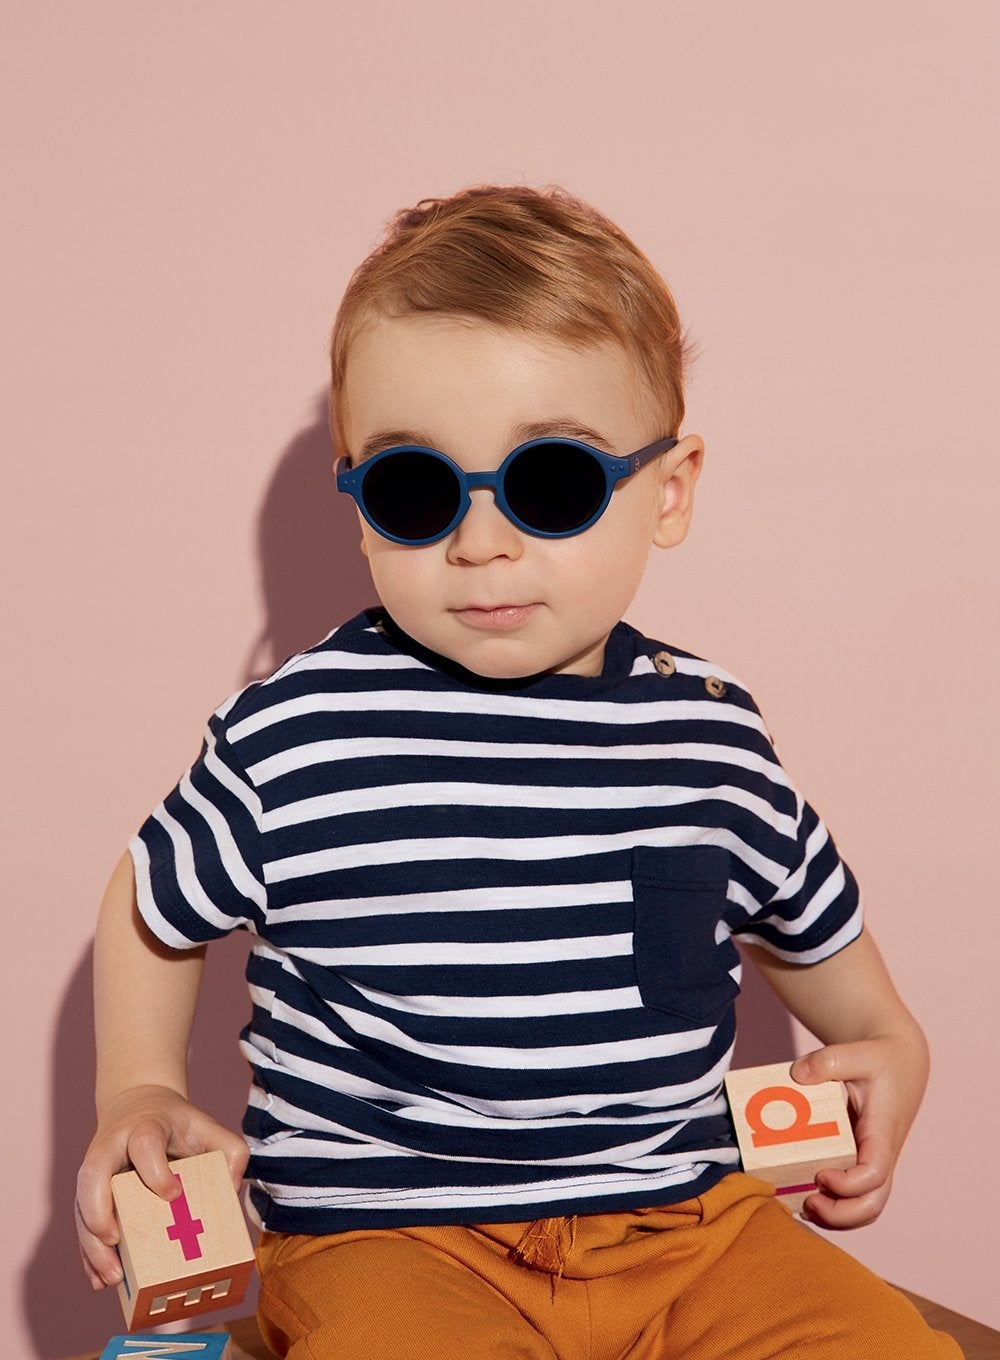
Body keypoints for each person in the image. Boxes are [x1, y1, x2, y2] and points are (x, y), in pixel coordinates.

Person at [76, 186, 960, 1358]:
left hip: (689, 1226)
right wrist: (139, 1087)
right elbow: (150, 900)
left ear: (669, 489)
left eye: (551, 484)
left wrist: (892, 1042)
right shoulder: (301, 733)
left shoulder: (711, 733)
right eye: (414, 489)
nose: (480, 542)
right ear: (358, 503)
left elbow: (821, 935)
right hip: (389, 1238)